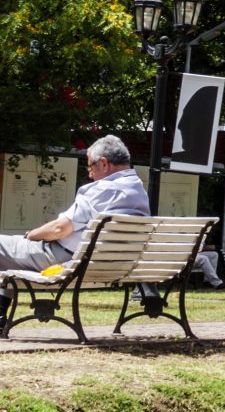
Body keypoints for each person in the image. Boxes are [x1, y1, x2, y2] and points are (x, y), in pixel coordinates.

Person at [0, 136, 149, 319]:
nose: (90, 174)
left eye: (91, 166)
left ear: (103, 163)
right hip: (112, 264)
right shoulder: (139, 190)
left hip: (65, 259)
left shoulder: (101, 190)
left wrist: (31, 235)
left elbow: (59, 230)